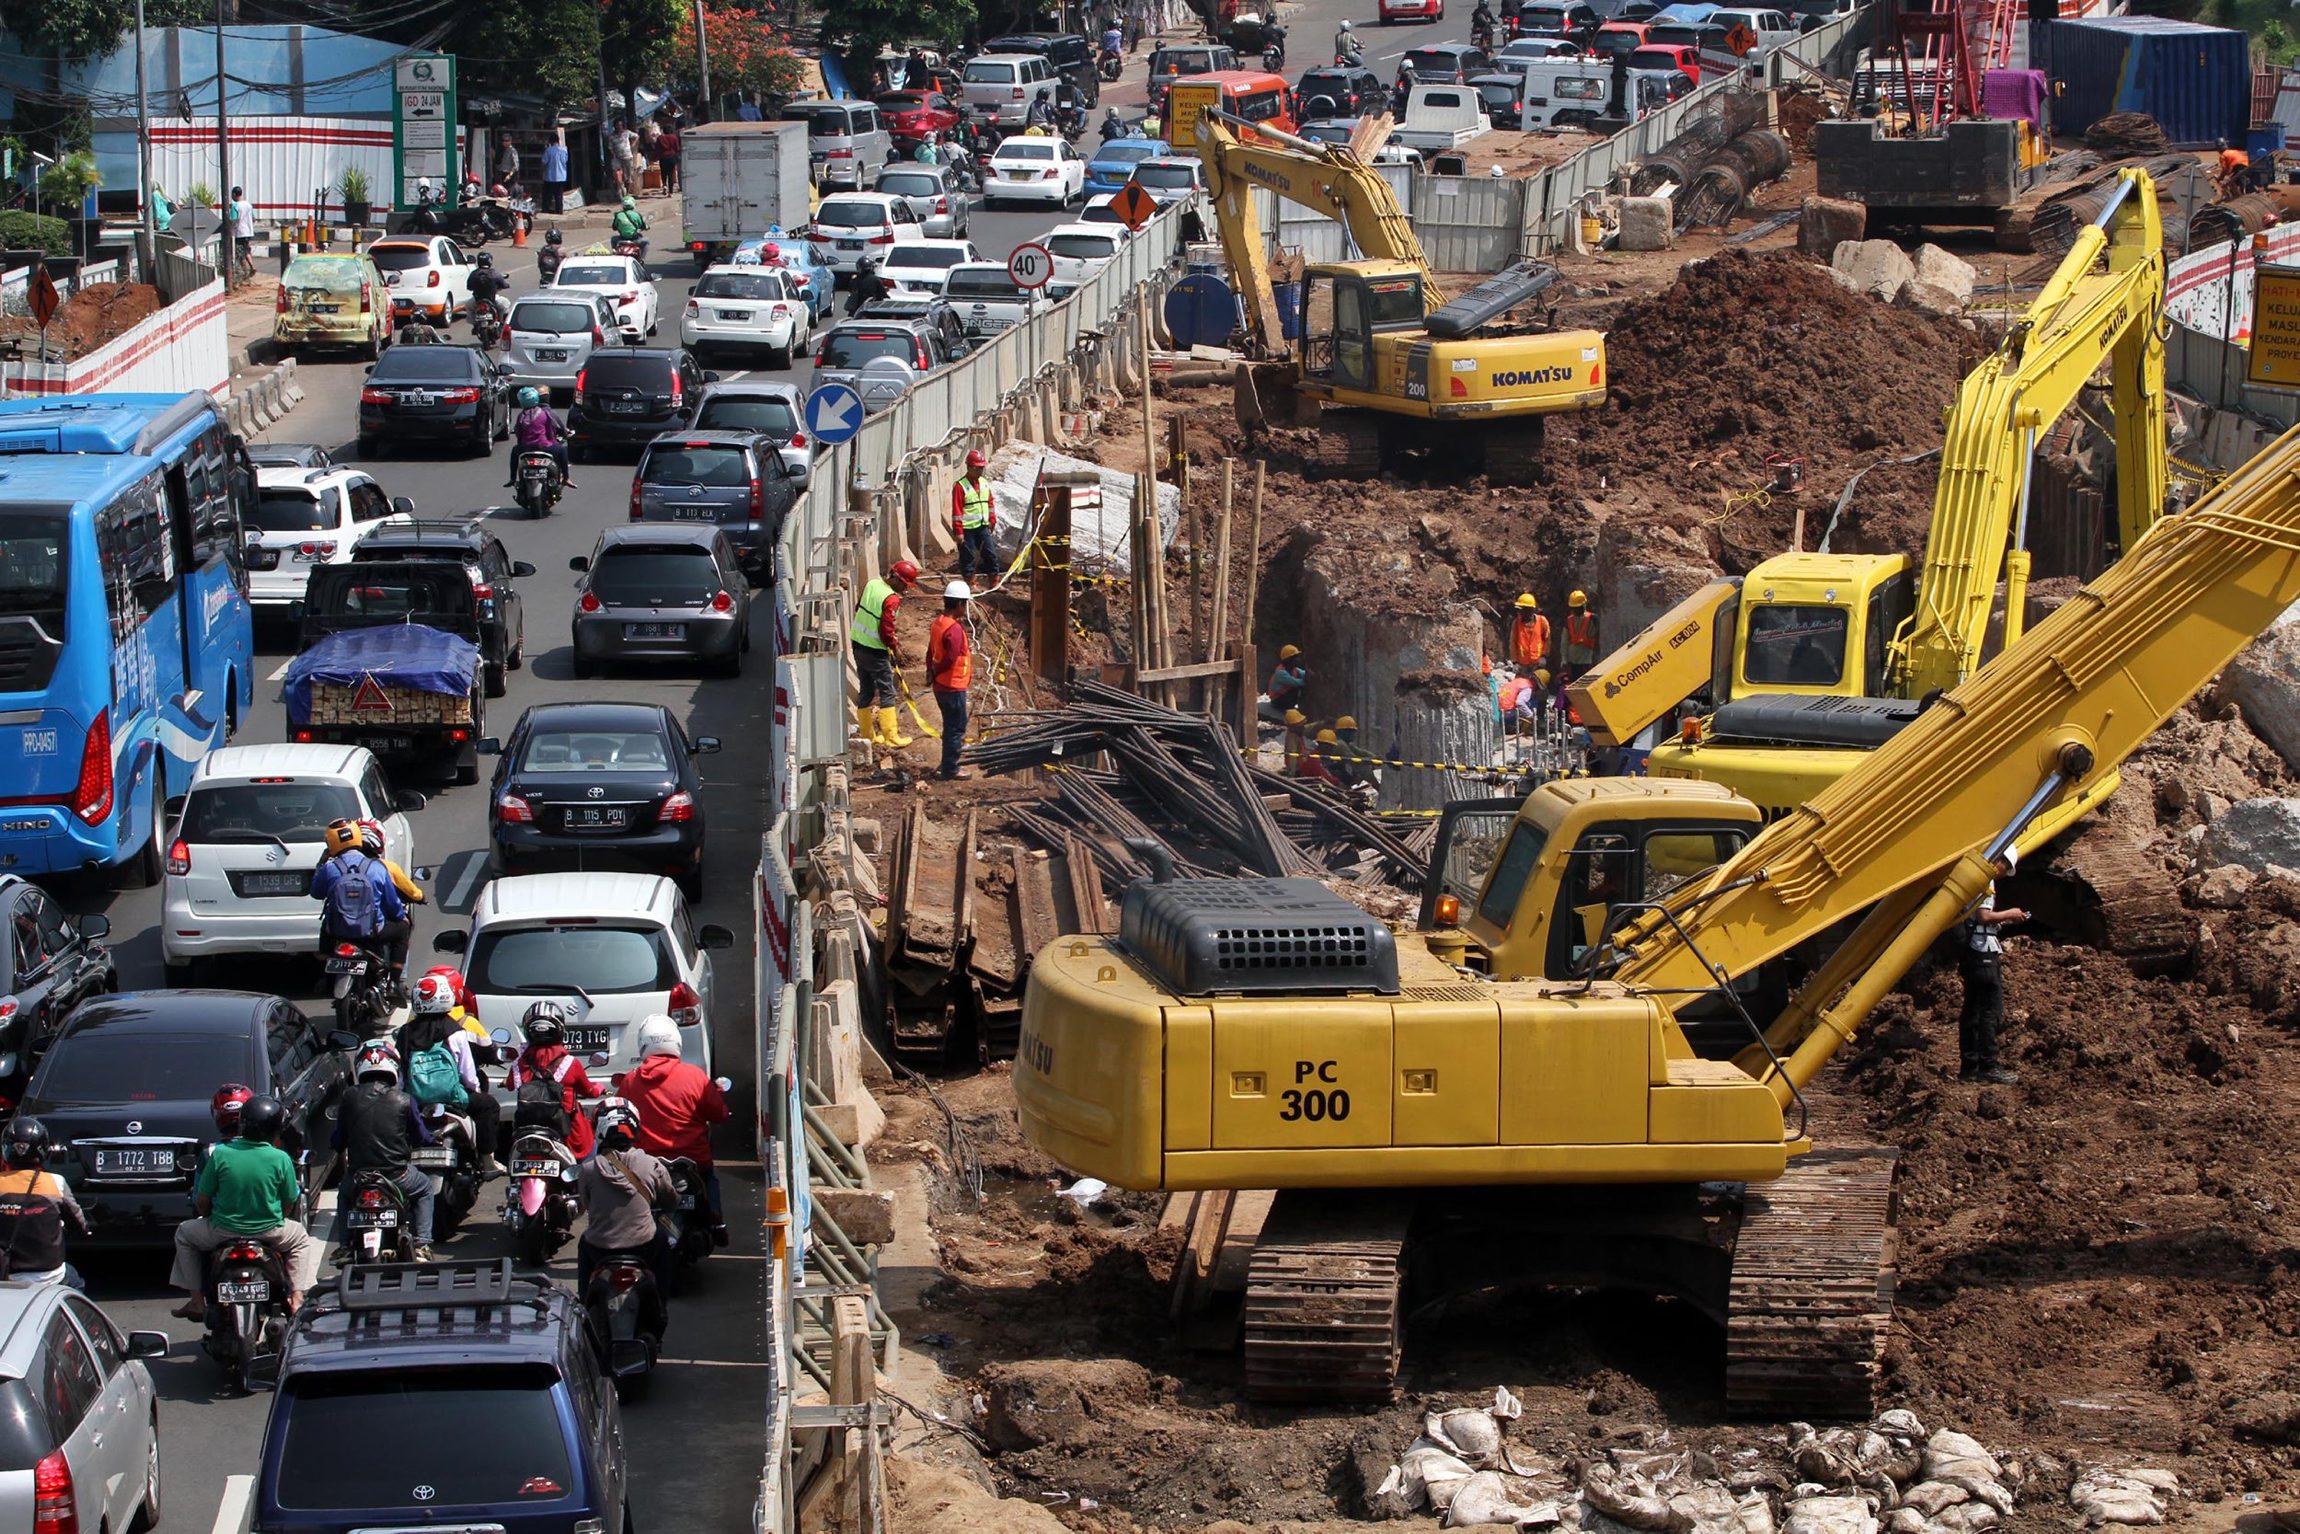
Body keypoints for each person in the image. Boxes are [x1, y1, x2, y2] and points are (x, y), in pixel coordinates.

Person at [169, 1095, 316, 1318]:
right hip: (271, 1231)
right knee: (301, 1240)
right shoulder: (280, 1158)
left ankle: (197, 1301)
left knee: (184, 1233)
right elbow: (289, 1201)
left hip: (222, 1231)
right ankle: (297, 1298)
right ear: (275, 1129)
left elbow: (202, 1199)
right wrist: (278, 1218)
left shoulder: (220, 1155)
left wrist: (209, 1217)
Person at [617, 1016, 731, 1230]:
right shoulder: (695, 1077)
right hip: (693, 1161)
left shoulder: (631, 1081)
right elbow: (719, 1115)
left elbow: (622, 1116)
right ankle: (716, 1219)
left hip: (646, 1162)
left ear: (643, 1044)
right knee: (709, 1180)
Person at [330, 1043, 436, 1261]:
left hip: (359, 1176)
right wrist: (431, 1140)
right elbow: (421, 1137)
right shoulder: (404, 1100)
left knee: (344, 1195)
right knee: (425, 1188)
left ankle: (344, 1246)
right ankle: (423, 1243)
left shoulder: (349, 1097)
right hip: (398, 1176)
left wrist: (338, 1145)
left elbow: (338, 1138)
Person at [397, 974, 503, 1177]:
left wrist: (402, 1097)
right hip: (452, 1098)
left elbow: (401, 1071)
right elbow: (468, 1075)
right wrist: (475, 1091)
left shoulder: (405, 1032)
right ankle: (487, 1161)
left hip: (415, 1100)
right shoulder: (455, 1031)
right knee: (488, 1106)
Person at [576, 1098, 678, 1296]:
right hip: (643, 1246)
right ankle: (661, 1308)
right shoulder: (651, 1164)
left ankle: (583, 1306)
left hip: (599, 1248)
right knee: (663, 1244)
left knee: (583, 1243)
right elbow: (670, 1200)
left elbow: (587, 1204)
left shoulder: (588, 1170)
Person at [309, 818, 411, 984]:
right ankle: (394, 982)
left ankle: (324, 976)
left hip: (337, 932)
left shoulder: (329, 869)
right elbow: (393, 906)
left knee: (326, 924)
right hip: (373, 933)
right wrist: (400, 917)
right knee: (403, 928)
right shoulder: (377, 868)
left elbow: (316, 893)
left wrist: (321, 864)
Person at [1958, 849, 2027, 1085]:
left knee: (1972, 1010)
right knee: (1989, 1010)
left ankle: (1969, 1068)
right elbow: (1984, 917)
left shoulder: (1970, 876)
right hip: (1982, 952)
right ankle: (1989, 1066)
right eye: (2005, 868)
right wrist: (2011, 913)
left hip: (1971, 951)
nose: (2003, 873)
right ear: (2000, 861)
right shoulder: (1984, 880)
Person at [506, 1001, 602, 1157]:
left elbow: (510, 1084)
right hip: (567, 1135)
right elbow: (589, 1090)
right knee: (592, 1151)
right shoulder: (570, 1063)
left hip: (527, 1132)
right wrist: (599, 1088)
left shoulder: (519, 1064)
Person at [0, 1120, 86, 1287]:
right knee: (76, 1282)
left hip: (6, 1276)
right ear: (43, 1149)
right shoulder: (56, 1183)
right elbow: (79, 1225)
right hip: (50, 1276)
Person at [852, 558, 921, 749]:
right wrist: (895, 647)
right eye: (904, 585)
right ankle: (891, 736)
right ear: (897, 579)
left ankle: (868, 735)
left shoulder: (872, 584)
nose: (905, 590)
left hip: (857, 644)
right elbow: (886, 629)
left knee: (866, 688)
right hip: (875, 649)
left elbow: (858, 608)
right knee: (887, 690)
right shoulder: (891, 599)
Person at [928, 581, 974, 780]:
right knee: (956, 727)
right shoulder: (953, 629)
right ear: (960, 604)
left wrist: (931, 672)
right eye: (965, 604)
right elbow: (950, 658)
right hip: (952, 685)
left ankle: (947, 763)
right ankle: (951, 769)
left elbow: (930, 651)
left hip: (942, 685)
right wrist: (937, 671)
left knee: (950, 726)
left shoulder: (938, 623)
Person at [507, 387, 575, 489]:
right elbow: (550, 433)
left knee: (514, 451)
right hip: (544, 446)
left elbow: (519, 434)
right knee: (562, 451)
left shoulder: (521, 416)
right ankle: (566, 478)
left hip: (526, 448)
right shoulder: (545, 413)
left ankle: (512, 479)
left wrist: (523, 445)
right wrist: (553, 443)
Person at [951, 449, 996, 580]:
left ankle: (995, 581)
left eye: (982, 468)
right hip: (967, 529)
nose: (980, 471)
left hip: (983, 526)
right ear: (969, 467)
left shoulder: (983, 483)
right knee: (967, 556)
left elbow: (990, 502)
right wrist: (959, 532)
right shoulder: (960, 486)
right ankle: (970, 582)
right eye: (978, 468)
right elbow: (957, 511)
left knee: (990, 554)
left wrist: (992, 519)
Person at [467, 249, 510, 328]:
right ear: (490, 261)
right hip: (493, 300)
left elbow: (469, 287)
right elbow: (504, 284)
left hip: (477, 300)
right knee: (506, 304)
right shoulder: (494, 273)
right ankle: (501, 323)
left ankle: (474, 324)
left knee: (468, 306)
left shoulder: (474, 273)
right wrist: (506, 285)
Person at [1561, 590, 1600, 677]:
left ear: (1584, 605)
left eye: (1577, 608)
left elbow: (1598, 638)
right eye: (1573, 608)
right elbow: (1564, 641)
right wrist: (1564, 659)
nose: (1575, 610)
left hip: (1587, 660)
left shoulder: (1593, 619)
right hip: (1572, 661)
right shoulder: (1568, 621)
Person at [1264, 643, 1309, 719]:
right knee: (1297, 688)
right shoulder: (1280, 673)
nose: (1298, 660)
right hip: (1277, 700)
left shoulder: (1294, 669)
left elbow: (1304, 674)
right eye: (1295, 658)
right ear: (1288, 660)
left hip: (1285, 697)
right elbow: (1296, 683)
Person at [1508, 593, 1549, 672]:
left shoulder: (1542, 621)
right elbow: (1513, 643)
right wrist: (1515, 662)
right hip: (1522, 664)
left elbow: (1547, 639)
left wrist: (1544, 656)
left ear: (1530, 609)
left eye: (1521, 609)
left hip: (1538, 663)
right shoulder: (1516, 623)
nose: (1519, 611)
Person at [227, 185, 256, 279]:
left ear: (235, 194)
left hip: (240, 233)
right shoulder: (248, 205)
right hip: (249, 232)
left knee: (240, 254)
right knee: (246, 250)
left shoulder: (235, 206)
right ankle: (252, 266)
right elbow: (254, 219)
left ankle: (245, 273)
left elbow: (233, 219)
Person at [541, 135, 570, 214]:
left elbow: (544, 163)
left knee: (547, 196)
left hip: (550, 177)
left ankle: (546, 211)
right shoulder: (564, 150)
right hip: (561, 177)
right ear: (558, 141)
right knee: (559, 196)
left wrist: (542, 172)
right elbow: (566, 161)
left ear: (550, 142)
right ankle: (559, 211)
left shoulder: (548, 151)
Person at [612, 120, 641, 194]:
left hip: (627, 156)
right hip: (617, 158)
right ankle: (619, 187)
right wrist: (613, 154)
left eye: (620, 125)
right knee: (616, 171)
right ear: (614, 126)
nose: (618, 127)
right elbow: (610, 147)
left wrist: (633, 144)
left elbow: (636, 136)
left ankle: (627, 193)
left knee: (628, 176)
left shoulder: (626, 133)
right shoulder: (612, 136)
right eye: (617, 125)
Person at [1280, 707, 1309, 772]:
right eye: (1301, 726)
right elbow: (1292, 761)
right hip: (1299, 771)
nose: (1303, 728)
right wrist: (1292, 775)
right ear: (1293, 727)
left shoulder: (1297, 734)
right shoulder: (1292, 740)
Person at [657, 122, 683, 193]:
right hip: (672, 157)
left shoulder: (660, 138)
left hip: (663, 158)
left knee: (663, 173)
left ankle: (664, 185)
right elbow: (677, 148)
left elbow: (657, 149)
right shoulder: (674, 137)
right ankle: (670, 192)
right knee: (671, 174)